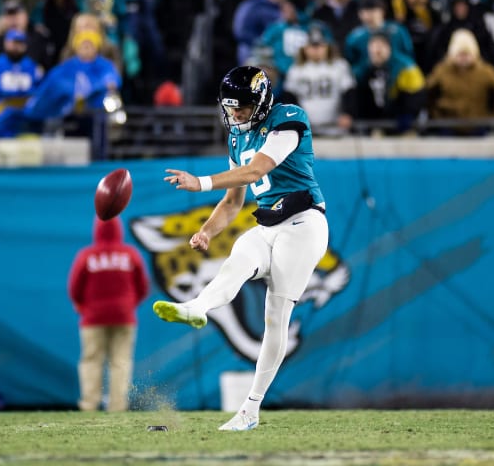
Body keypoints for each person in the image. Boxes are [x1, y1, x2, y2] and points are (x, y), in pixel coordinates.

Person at [156, 66, 328, 431]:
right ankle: (196, 307)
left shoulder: (289, 118)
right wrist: (206, 231)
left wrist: (201, 183)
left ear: (263, 103)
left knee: (274, 315)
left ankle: (250, 409)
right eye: (230, 107)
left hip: (304, 223)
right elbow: (234, 202)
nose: (235, 115)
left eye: (243, 108)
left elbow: (255, 172)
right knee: (239, 256)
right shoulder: (237, 137)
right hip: (269, 222)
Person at [66, 214, 150, 413]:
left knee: (91, 360)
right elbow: (143, 287)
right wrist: (129, 304)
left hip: (92, 318)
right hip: (124, 317)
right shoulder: (131, 254)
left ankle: (89, 405)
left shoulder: (86, 255)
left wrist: (81, 305)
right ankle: (118, 406)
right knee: (120, 362)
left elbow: (74, 288)